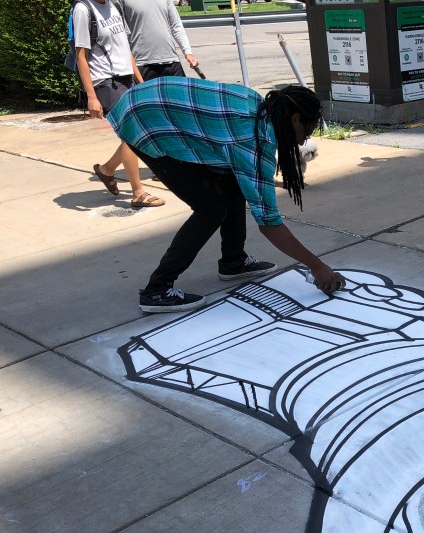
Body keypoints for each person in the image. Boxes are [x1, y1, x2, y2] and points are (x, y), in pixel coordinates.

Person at [107, 78, 345, 313]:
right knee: (210, 209)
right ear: (294, 119)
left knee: (233, 182)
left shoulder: (262, 110)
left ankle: (233, 260)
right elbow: (269, 222)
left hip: (153, 101)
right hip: (144, 118)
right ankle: (157, 289)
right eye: (307, 131)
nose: (304, 140)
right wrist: (317, 266)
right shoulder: (253, 140)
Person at [72, 0, 165, 208]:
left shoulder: (113, 6)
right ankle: (138, 193)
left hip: (126, 79)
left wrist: (141, 82)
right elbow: (81, 56)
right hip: (106, 83)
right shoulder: (83, 9)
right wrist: (91, 96)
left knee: (135, 134)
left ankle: (107, 170)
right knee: (132, 135)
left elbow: (125, 50)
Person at [114, 0, 200, 81]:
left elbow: (176, 25)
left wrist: (188, 53)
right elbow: (117, 32)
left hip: (171, 61)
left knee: (180, 92)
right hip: (142, 64)